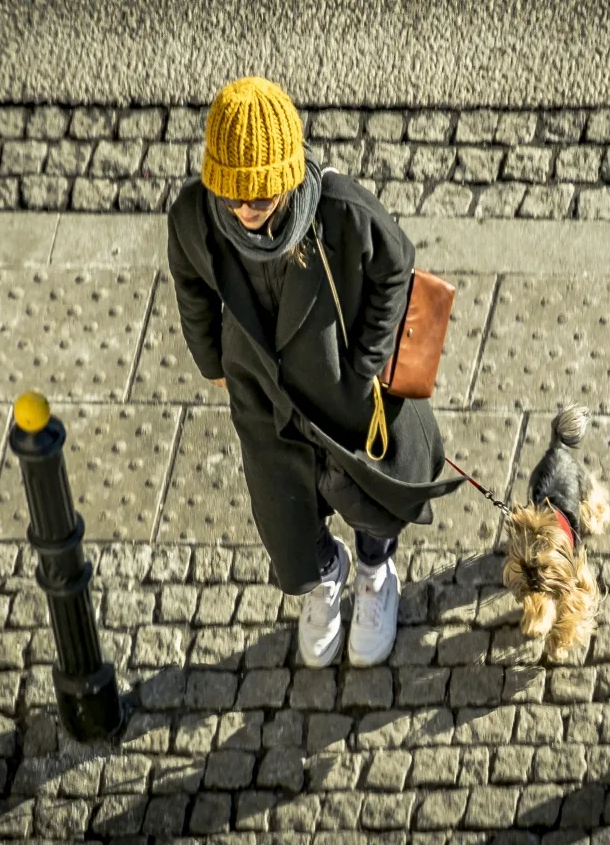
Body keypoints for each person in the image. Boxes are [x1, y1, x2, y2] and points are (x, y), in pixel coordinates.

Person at [166, 76, 463, 668]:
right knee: (285, 520)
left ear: (286, 177)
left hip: (344, 393)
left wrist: (366, 363)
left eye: (260, 197)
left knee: (371, 498)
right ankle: (328, 573)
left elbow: (397, 268)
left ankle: (375, 573)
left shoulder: (339, 209)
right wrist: (212, 361)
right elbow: (191, 284)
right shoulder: (195, 216)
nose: (245, 210)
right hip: (265, 400)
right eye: (233, 196)